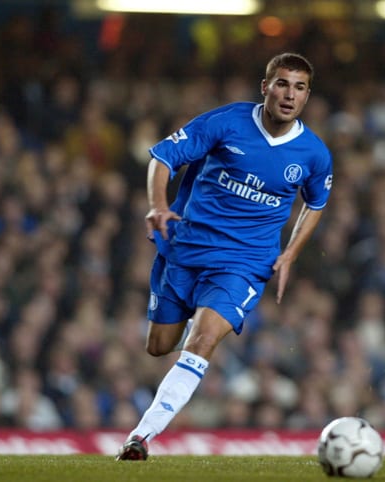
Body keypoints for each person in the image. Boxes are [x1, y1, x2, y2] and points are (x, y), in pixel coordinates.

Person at [116, 52, 333, 460]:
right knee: (160, 346)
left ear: (307, 96)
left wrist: (289, 254)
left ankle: (140, 438)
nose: (290, 94)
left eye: (299, 87)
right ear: (265, 87)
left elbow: (316, 203)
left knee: (201, 342)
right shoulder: (226, 122)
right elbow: (161, 158)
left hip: (244, 264)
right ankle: (190, 317)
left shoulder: (314, 154)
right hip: (186, 248)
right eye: (282, 84)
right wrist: (158, 204)